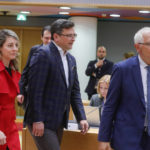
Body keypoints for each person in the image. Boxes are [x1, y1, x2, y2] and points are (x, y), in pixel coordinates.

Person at [19, 19, 89, 150]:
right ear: (56, 37)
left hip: (58, 120)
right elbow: (35, 90)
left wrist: (81, 118)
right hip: (42, 120)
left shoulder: (71, 59)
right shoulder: (43, 54)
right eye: (69, 35)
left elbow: (74, 92)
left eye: (74, 35)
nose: (73, 39)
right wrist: (37, 119)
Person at [98, 27, 150, 150]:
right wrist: (104, 138)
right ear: (138, 47)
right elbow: (110, 105)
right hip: (127, 138)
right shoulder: (122, 69)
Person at [18, 25, 51, 109]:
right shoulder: (34, 50)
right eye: (46, 38)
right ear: (41, 37)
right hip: (32, 94)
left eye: (51, 38)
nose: (49, 41)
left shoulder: (59, 53)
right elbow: (26, 71)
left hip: (49, 96)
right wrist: (20, 92)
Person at [0, 29, 21, 150]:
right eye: (10, 45)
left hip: (11, 129)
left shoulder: (15, 73)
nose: (14, 49)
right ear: (0, 48)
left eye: (16, 45)